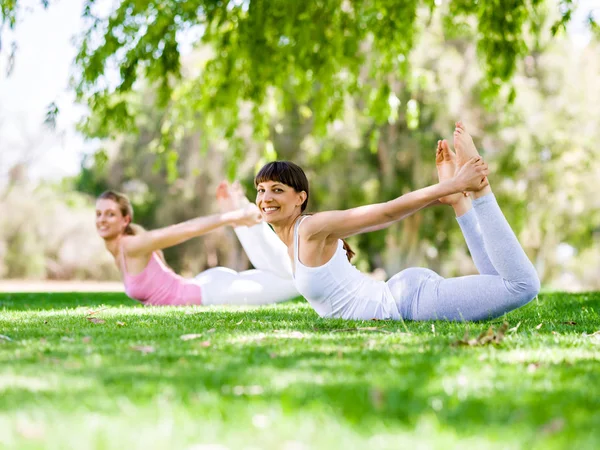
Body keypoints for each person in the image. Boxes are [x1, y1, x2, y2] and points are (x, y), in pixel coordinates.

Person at [253, 122, 540, 321]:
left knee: (522, 286)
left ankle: (479, 189)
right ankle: (461, 203)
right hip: (401, 293)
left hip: (407, 303)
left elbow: (386, 212)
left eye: (277, 190)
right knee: (497, 282)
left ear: (300, 198)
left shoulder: (310, 229)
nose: (266, 198)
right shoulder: (290, 240)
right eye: (261, 190)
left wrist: (454, 185)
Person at [95, 182, 299, 306]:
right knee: (290, 275)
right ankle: (243, 215)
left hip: (215, 294)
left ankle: (244, 214)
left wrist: (229, 216)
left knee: (297, 280)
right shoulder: (119, 251)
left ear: (125, 220)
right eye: (99, 214)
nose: (102, 219)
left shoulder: (132, 245)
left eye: (110, 214)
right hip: (205, 285)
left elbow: (183, 230)